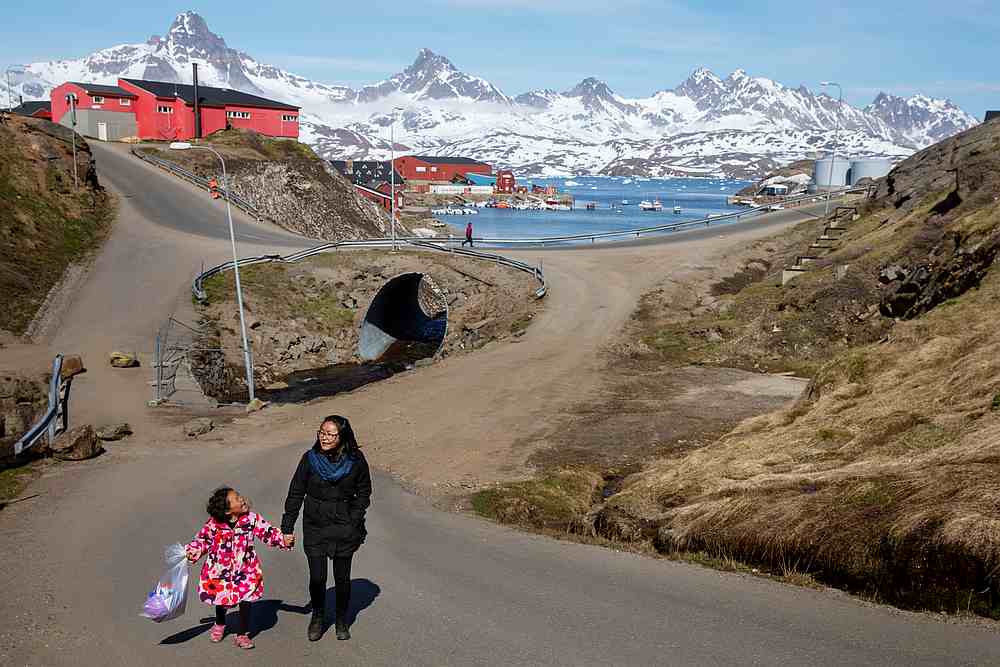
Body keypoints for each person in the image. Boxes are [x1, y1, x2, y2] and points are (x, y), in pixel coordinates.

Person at [282, 415, 372, 642]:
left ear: (342, 437)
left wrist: (354, 519)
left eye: (331, 434)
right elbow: (295, 493)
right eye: (322, 432)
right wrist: (287, 527)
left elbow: (364, 492)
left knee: (342, 578)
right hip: (315, 524)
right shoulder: (310, 459)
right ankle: (318, 616)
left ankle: (341, 619)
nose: (325, 437)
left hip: (344, 525)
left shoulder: (356, 460)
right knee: (318, 578)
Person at [186, 487, 294, 650]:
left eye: (239, 496)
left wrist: (283, 540)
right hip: (220, 570)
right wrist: (192, 551)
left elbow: (268, 532)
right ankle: (220, 623)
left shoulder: (251, 519)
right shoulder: (214, 525)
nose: (242, 499)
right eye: (237, 498)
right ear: (228, 510)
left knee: (246, 599)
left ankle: (242, 633)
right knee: (221, 598)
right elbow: (203, 540)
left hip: (246, 570)